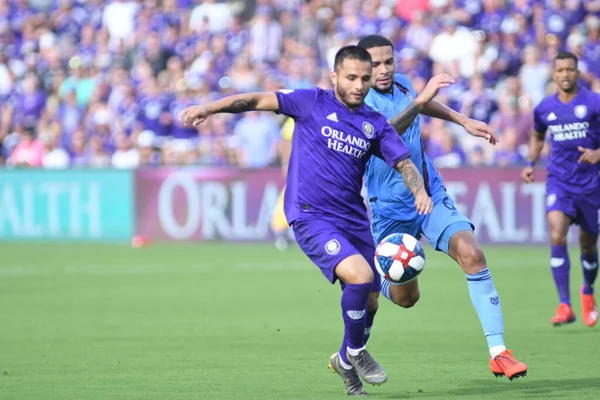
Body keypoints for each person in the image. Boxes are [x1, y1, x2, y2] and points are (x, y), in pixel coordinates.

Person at [180, 45, 433, 397]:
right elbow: (255, 100)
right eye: (351, 78)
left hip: (354, 220)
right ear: (335, 77)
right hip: (311, 215)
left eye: (365, 78)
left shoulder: (374, 124)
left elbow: (404, 163)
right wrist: (209, 107)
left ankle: (344, 362)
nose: (360, 85)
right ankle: (357, 353)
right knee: (359, 278)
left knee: (371, 301)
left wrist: (419, 190)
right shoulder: (310, 102)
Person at [356, 35, 528, 380]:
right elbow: (383, 135)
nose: (384, 69)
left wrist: (462, 120)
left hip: (429, 194)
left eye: (389, 61)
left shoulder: (403, 85)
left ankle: (499, 352)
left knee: (473, 255)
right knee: (407, 298)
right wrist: (420, 101)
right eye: (375, 64)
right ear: (360, 67)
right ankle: (374, 280)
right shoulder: (356, 103)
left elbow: (422, 104)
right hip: (390, 209)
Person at [521, 51, 600, 328]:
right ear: (553, 75)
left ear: (578, 72)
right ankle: (564, 304)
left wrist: (597, 153)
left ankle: (587, 291)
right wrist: (530, 163)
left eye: (570, 69)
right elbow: (538, 135)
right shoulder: (544, 107)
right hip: (559, 181)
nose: (565, 74)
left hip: (591, 185)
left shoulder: (594, 102)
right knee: (557, 234)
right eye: (560, 70)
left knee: (588, 244)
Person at [270, 117, 294, 250]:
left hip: (313, 166)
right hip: (299, 166)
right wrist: (286, 163)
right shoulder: (295, 118)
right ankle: (280, 230)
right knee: (288, 196)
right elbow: (285, 141)